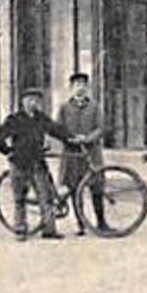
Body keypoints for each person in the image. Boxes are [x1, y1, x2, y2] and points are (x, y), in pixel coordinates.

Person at [0, 89, 72, 240]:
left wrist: (70, 138)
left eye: (36, 100)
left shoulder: (40, 118)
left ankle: (49, 230)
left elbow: (55, 130)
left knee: (46, 196)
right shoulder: (14, 119)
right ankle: (20, 230)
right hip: (19, 163)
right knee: (20, 197)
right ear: (23, 102)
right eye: (29, 100)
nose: (33, 103)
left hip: (37, 162)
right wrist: (8, 151)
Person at [57, 72, 107, 235]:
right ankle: (81, 224)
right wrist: (69, 138)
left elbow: (100, 128)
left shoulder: (95, 106)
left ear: (88, 88)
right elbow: (58, 128)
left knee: (97, 188)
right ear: (71, 88)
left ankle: (101, 222)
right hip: (72, 155)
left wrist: (87, 138)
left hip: (91, 153)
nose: (80, 89)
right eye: (77, 85)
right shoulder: (64, 107)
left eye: (83, 85)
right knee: (74, 189)